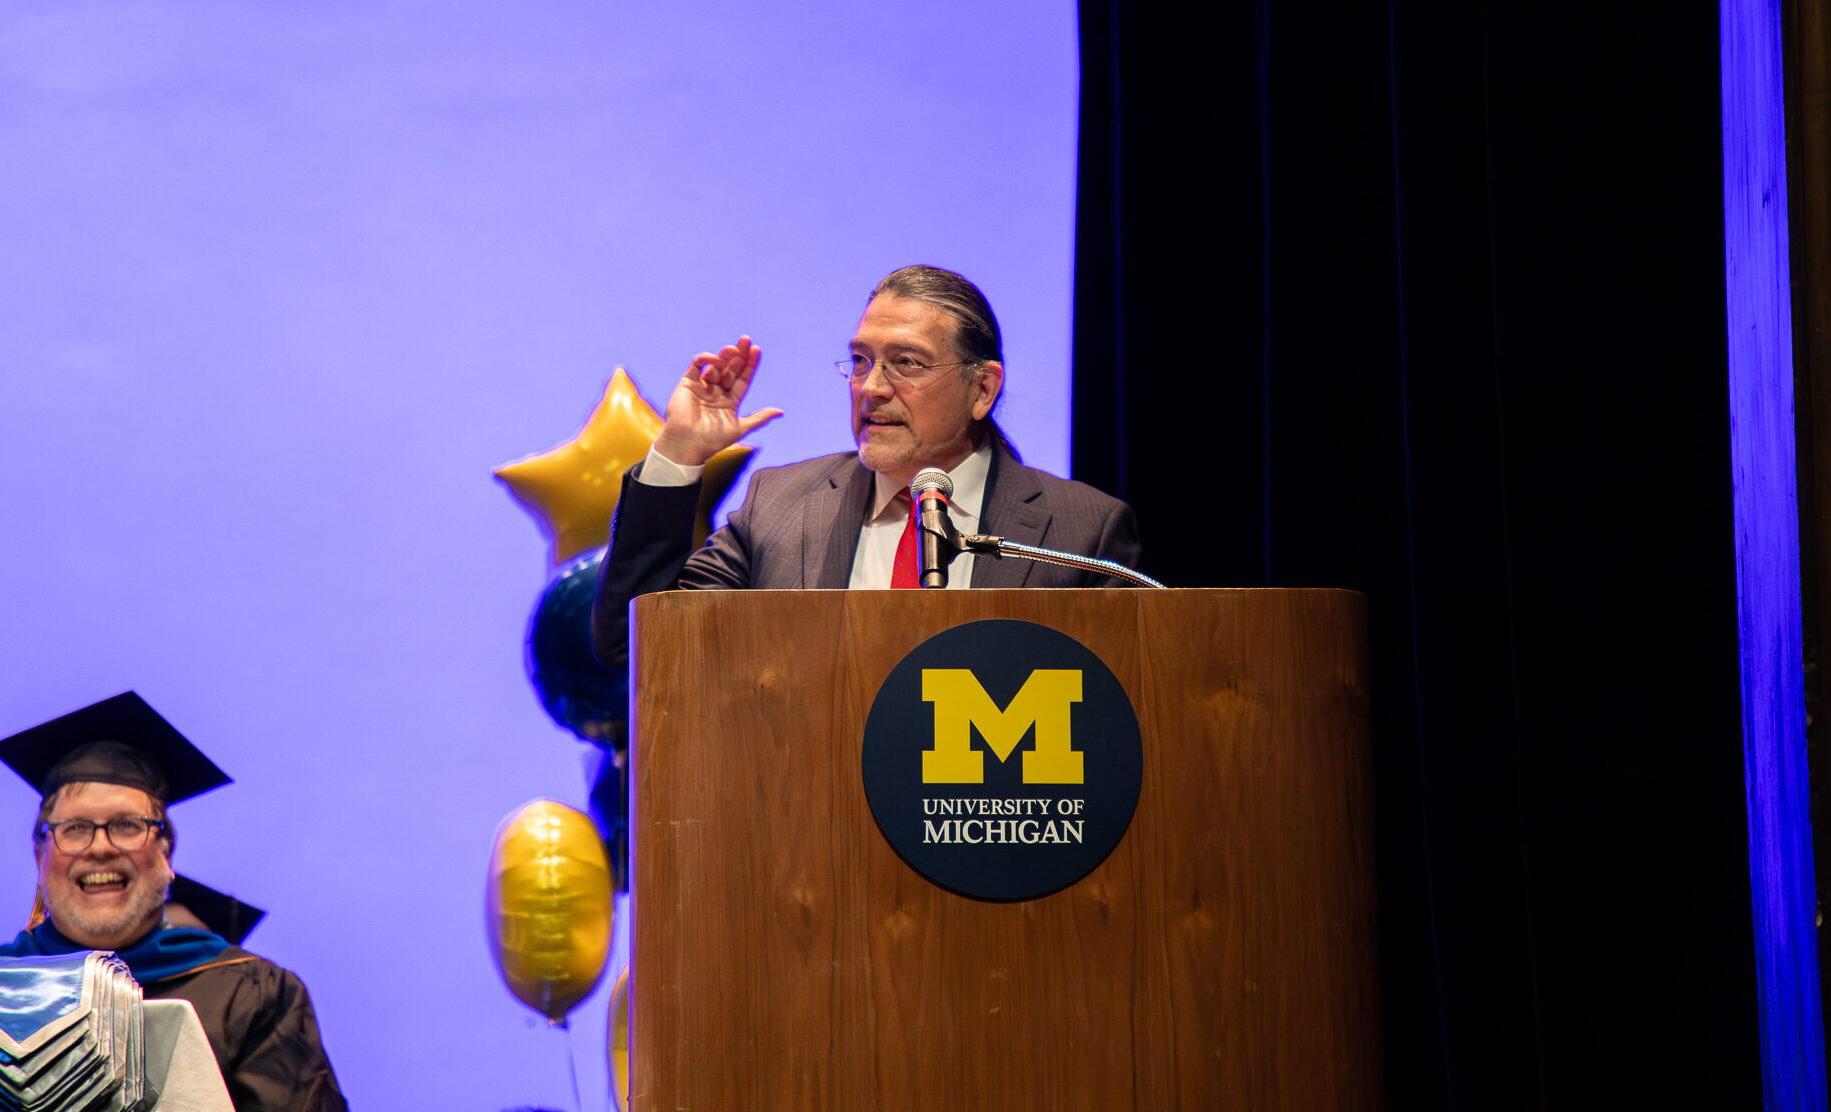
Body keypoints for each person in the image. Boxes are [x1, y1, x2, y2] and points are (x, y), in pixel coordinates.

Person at [592, 264, 1142, 667]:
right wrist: (679, 454)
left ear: (983, 388)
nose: (872, 388)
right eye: (860, 362)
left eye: (906, 363)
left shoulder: (1081, 531)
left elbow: (1118, 712)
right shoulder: (779, 507)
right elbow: (634, 644)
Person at [0, 692, 346, 1112]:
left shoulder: (252, 996)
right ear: (39, 854)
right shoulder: (8, 983)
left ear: (166, 852)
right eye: (74, 828)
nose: (101, 848)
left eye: (128, 826)